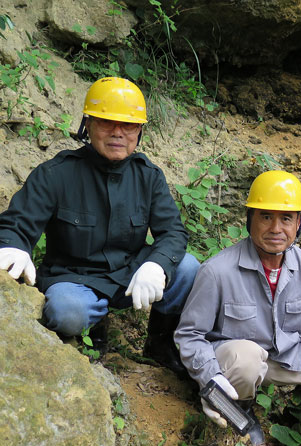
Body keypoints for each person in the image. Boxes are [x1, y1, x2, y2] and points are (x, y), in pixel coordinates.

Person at [0, 77, 200, 375]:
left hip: (129, 273)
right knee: (66, 312)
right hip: (74, 278)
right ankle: (94, 325)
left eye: (128, 125)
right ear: (88, 125)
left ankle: (159, 342)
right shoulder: (56, 174)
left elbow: (172, 232)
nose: (118, 133)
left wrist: (156, 265)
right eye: (107, 122)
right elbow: (18, 222)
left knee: (187, 267)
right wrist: (13, 246)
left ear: (139, 131)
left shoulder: (149, 177)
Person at [175, 170, 301, 444]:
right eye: (265, 217)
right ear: (249, 219)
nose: (276, 228)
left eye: (286, 218)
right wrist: (209, 377)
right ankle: (238, 410)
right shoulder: (217, 271)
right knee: (247, 357)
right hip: (236, 364)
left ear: (299, 222)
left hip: (284, 359)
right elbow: (189, 336)